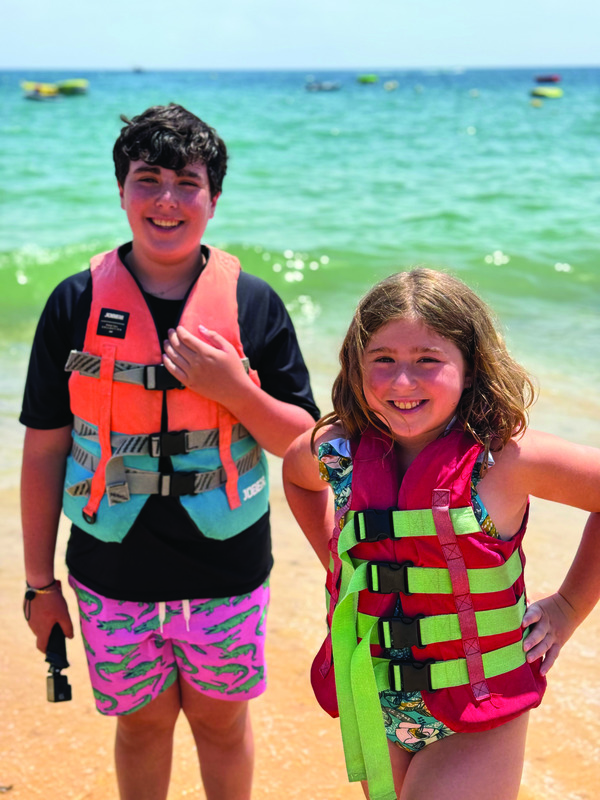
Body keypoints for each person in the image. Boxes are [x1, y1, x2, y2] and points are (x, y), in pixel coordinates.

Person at [20, 103, 320, 800]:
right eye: (146, 179)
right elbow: (43, 452)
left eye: (187, 182)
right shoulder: (74, 303)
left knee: (221, 726)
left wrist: (235, 390)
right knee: (143, 729)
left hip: (227, 566)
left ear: (214, 200)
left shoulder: (253, 303)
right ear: (120, 190)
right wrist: (39, 586)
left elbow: (306, 450)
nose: (166, 200)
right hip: (108, 568)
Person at [282, 268, 600, 800]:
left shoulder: (508, 460)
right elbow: (296, 479)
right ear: (356, 367)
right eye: (382, 360)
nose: (402, 382)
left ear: (470, 368)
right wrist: (340, 567)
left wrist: (567, 607)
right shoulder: (334, 451)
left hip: (480, 703)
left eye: (428, 360)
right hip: (374, 694)